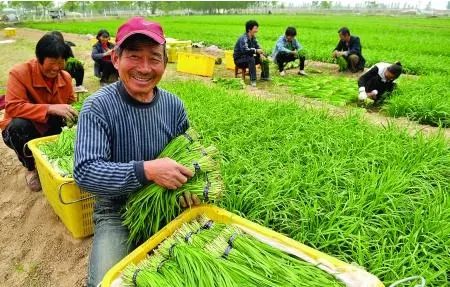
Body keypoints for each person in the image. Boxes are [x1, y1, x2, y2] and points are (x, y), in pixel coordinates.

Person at [74, 17, 200, 286]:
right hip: (117, 211)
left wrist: (188, 185)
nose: (145, 68)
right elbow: (86, 172)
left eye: (154, 58)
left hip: (168, 201)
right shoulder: (98, 107)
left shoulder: (174, 106)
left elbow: (188, 154)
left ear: (165, 63)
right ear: (116, 59)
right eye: (134, 56)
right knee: (107, 282)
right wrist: (147, 171)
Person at [0, 33, 77, 192]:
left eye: (61, 61)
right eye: (52, 62)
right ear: (39, 58)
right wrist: (49, 108)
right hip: (21, 130)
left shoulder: (66, 77)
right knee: (19, 126)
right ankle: (31, 168)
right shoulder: (19, 73)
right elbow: (13, 107)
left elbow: (70, 103)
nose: (57, 67)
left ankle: (53, 161)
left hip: (48, 125)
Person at [233, 20, 270, 87]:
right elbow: (245, 50)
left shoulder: (253, 38)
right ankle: (253, 80)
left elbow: (258, 47)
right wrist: (256, 51)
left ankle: (265, 76)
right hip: (239, 60)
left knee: (264, 57)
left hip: (248, 57)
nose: (257, 30)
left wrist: (261, 54)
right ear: (249, 29)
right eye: (255, 28)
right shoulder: (243, 38)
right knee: (251, 58)